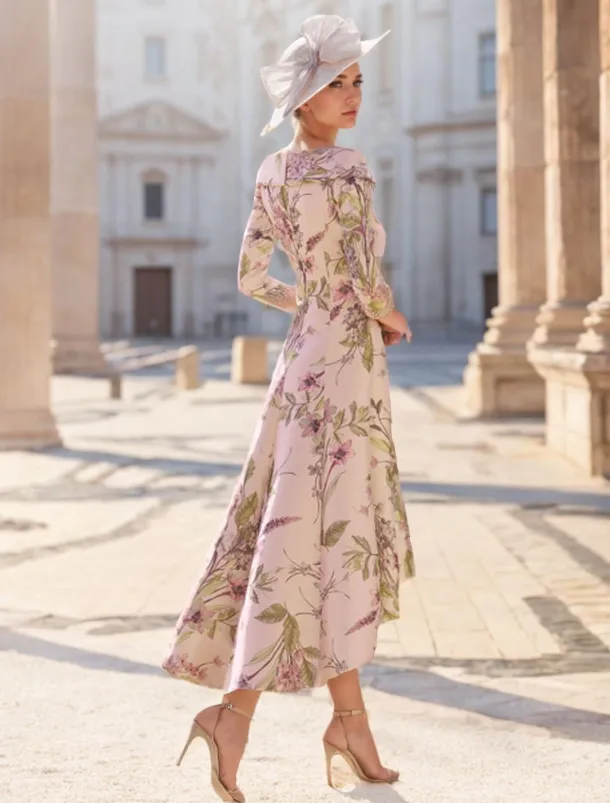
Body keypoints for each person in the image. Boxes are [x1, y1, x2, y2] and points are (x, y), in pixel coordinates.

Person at [163, 14, 415, 802]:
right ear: (303, 96)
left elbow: (251, 276)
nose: (353, 95)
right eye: (337, 83)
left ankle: (335, 722)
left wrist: (306, 301)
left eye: (357, 81)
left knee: (304, 532)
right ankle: (250, 716)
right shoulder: (350, 167)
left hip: (303, 358)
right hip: (345, 365)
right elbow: (364, 271)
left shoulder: (272, 171)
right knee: (326, 535)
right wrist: (383, 311)